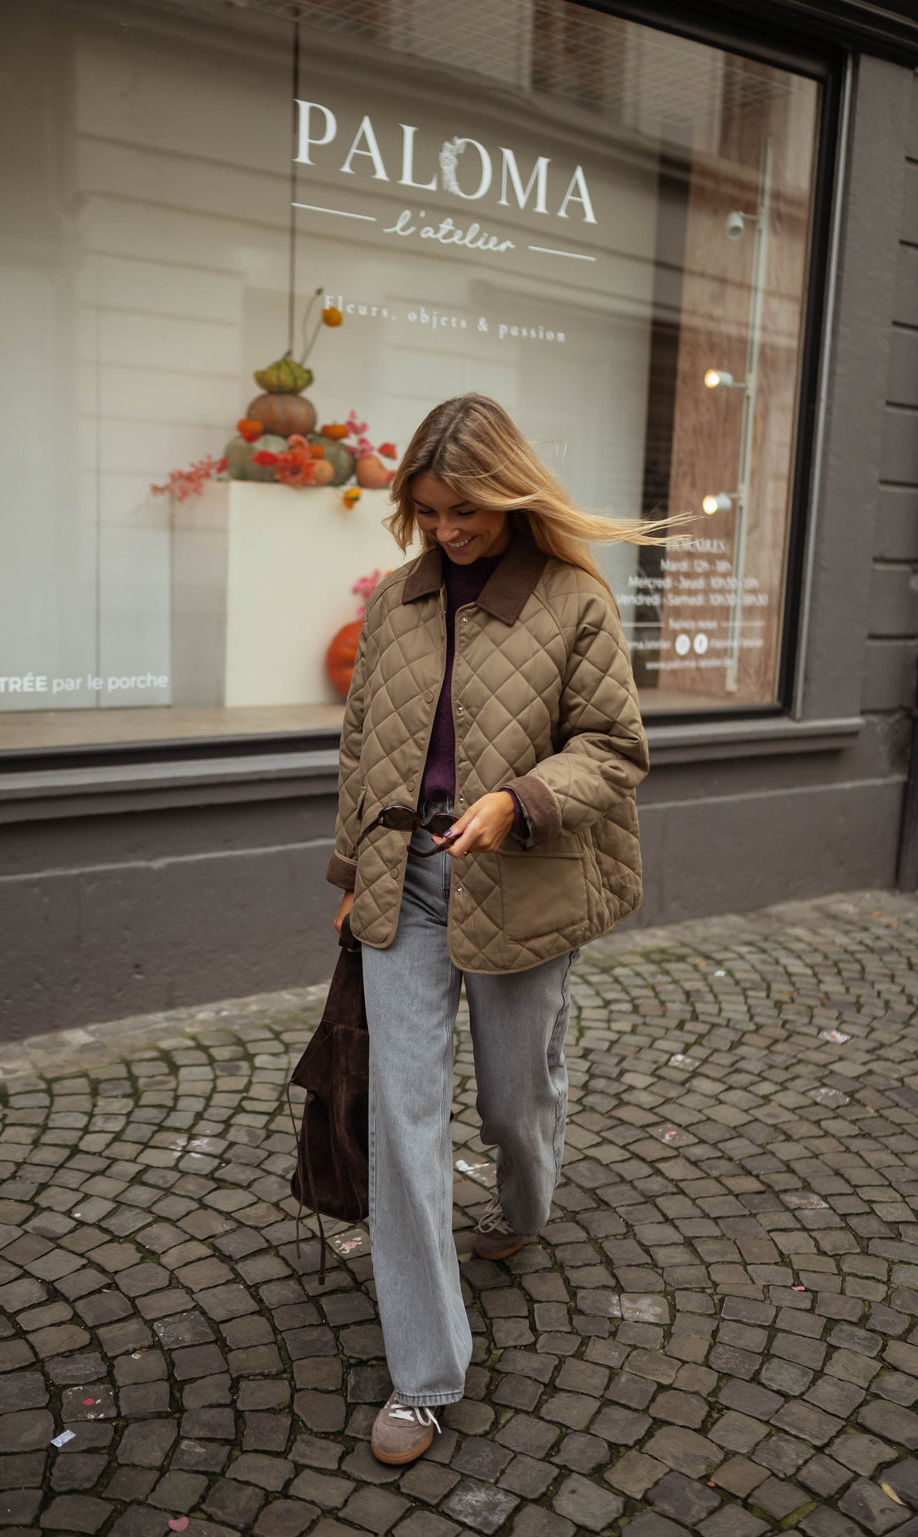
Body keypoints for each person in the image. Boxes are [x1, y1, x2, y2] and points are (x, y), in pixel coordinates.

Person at [326, 394, 668, 1467]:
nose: (447, 531)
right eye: (428, 512)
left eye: (463, 511)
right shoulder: (395, 601)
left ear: (509, 497)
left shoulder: (571, 601)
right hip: (405, 884)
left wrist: (519, 799)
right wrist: (349, 871)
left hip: (520, 882)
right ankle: (424, 1375)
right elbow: (359, 748)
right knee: (404, 1114)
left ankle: (525, 1201)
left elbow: (614, 748)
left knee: (516, 1095)